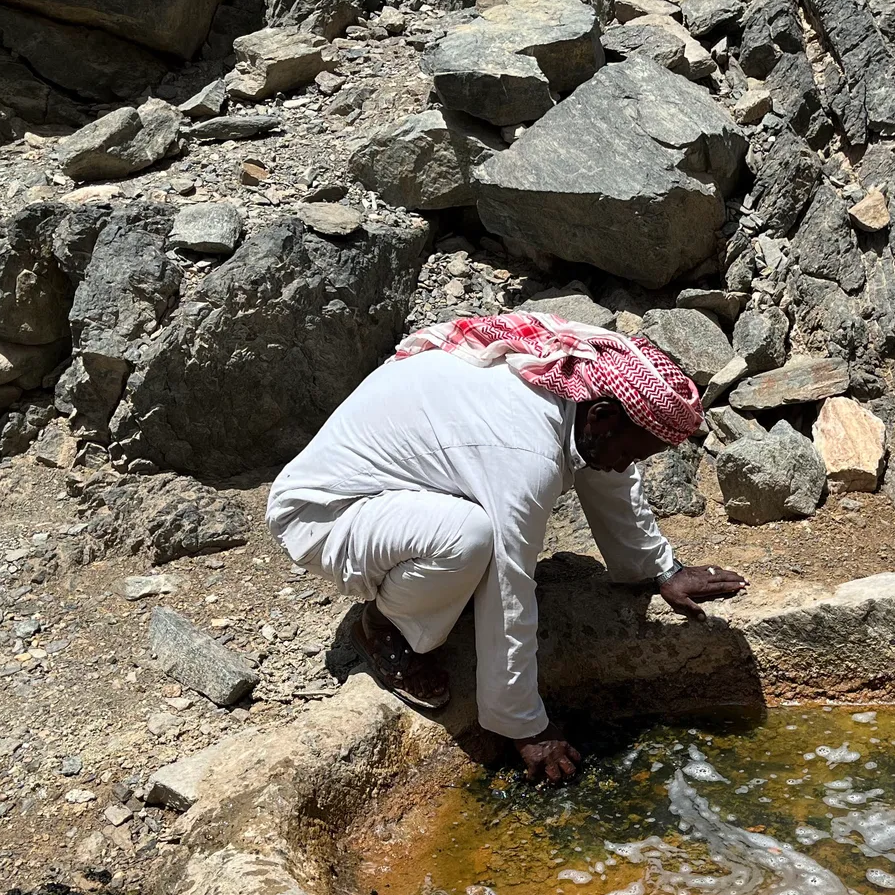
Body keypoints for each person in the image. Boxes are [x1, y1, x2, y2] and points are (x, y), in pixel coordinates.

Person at [267, 311, 748, 782]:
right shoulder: (523, 449)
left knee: (494, 521)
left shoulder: (573, 389)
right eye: (631, 452)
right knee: (469, 539)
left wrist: (659, 569)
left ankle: (423, 597)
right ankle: (386, 625)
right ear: (602, 416)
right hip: (326, 515)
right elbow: (509, 585)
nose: (626, 466)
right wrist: (524, 724)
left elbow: (608, 473)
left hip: (392, 497)